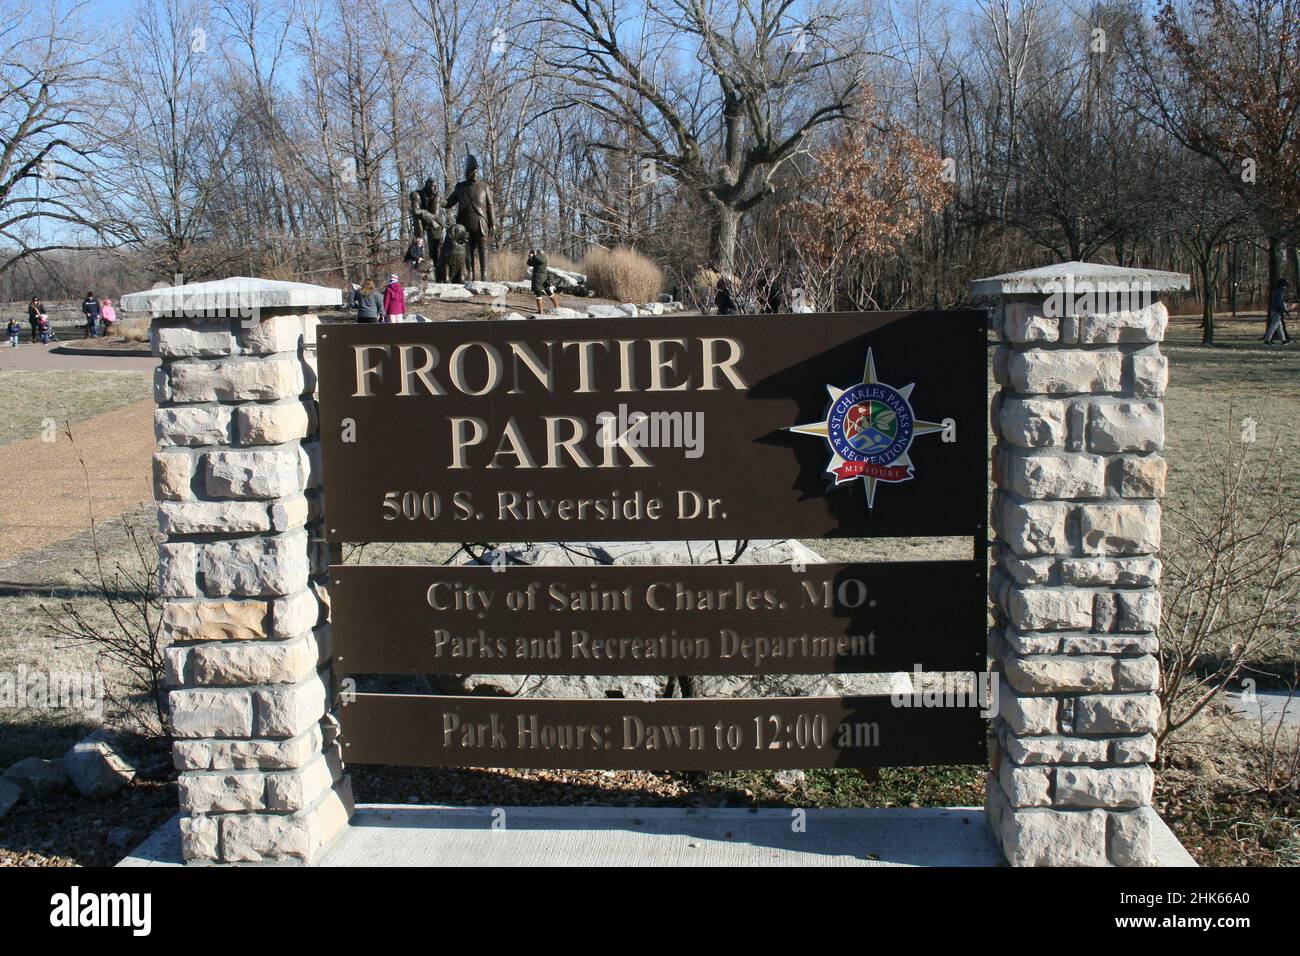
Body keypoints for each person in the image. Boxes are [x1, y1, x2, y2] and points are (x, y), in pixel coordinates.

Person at [527, 248, 561, 315]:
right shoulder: (545, 257)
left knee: (538, 293)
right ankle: (557, 306)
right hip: (544, 277)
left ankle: (540, 311)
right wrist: (532, 256)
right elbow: (531, 263)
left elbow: (529, 263)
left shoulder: (536, 258)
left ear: (538, 253)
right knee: (548, 291)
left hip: (537, 278)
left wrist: (531, 256)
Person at [1264, 278, 1291, 345]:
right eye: (1285, 286)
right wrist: (1283, 310)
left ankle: (1283, 340)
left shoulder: (1277, 291)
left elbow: (1279, 302)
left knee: (1279, 327)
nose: (1286, 288)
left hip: (1275, 311)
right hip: (1277, 312)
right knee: (1273, 326)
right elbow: (1279, 303)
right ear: (1282, 285)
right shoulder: (1280, 292)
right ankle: (1267, 340)